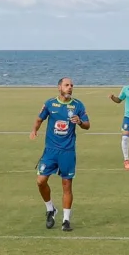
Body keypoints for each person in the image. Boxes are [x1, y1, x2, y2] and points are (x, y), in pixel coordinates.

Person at [35, 78, 90, 230]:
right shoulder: (50, 103)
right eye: (67, 85)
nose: (70, 88)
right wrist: (34, 131)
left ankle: (66, 221)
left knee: (67, 185)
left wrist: (79, 122)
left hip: (67, 151)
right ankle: (50, 208)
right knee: (40, 181)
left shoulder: (77, 105)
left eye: (71, 86)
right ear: (59, 87)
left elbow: (87, 125)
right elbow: (40, 119)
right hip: (50, 151)